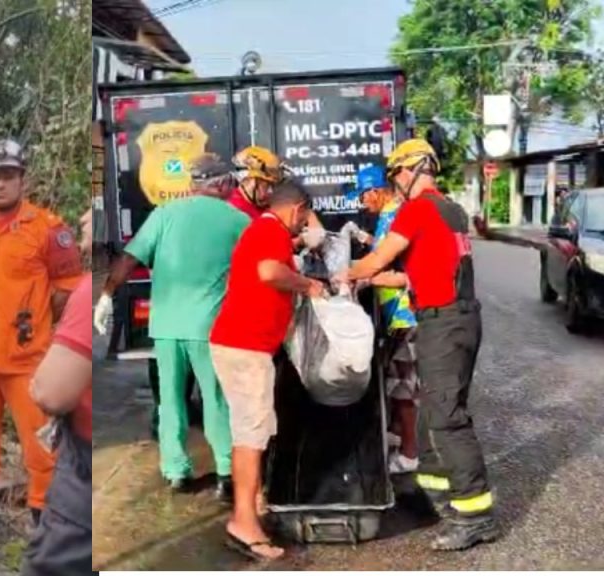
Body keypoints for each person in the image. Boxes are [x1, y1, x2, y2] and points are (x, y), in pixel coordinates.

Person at [333, 139, 499, 551]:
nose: (396, 183)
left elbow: (379, 258)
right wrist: (368, 279)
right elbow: (408, 275)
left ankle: (476, 518)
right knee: (433, 418)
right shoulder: (449, 209)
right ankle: (442, 498)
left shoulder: (419, 208)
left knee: (448, 420)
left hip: (445, 323)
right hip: (450, 319)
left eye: (396, 175)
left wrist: (343, 274)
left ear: (411, 169)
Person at [0, 138, 84, 542]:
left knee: (41, 448)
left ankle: (43, 526)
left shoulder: (48, 229)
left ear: (22, 179)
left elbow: (64, 291)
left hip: (27, 360)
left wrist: (32, 323)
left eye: (7, 176)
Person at [94, 153, 247, 497]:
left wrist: (105, 296)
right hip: (209, 327)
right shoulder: (237, 219)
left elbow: (128, 258)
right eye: (230, 183)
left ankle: (176, 470)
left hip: (166, 326)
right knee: (216, 399)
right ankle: (225, 471)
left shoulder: (163, 215)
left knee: (170, 400)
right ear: (221, 184)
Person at [209, 179, 325, 562]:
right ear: (297, 209)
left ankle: (253, 507)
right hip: (244, 348)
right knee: (252, 435)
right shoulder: (269, 229)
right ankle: (243, 522)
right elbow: (269, 272)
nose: (305, 223)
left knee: (253, 431)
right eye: (305, 216)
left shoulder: (266, 230)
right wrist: (308, 285)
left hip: (245, 346)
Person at [23, 208, 94, 576]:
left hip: (84, 477)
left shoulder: (88, 289)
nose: (82, 217)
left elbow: (52, 394)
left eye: (91, 210)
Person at [344, 165, 419, 474]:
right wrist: (362, 236)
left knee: (404, 387)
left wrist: (364, 279)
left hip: (405, 314)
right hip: (394, 316)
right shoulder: (389, 216)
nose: (363, 203)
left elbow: (407, 273)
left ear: (375, 191)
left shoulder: (399, 215)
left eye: (363, 196)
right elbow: (383, 252)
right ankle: (400, 437)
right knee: (396, 383)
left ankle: (410, 453)